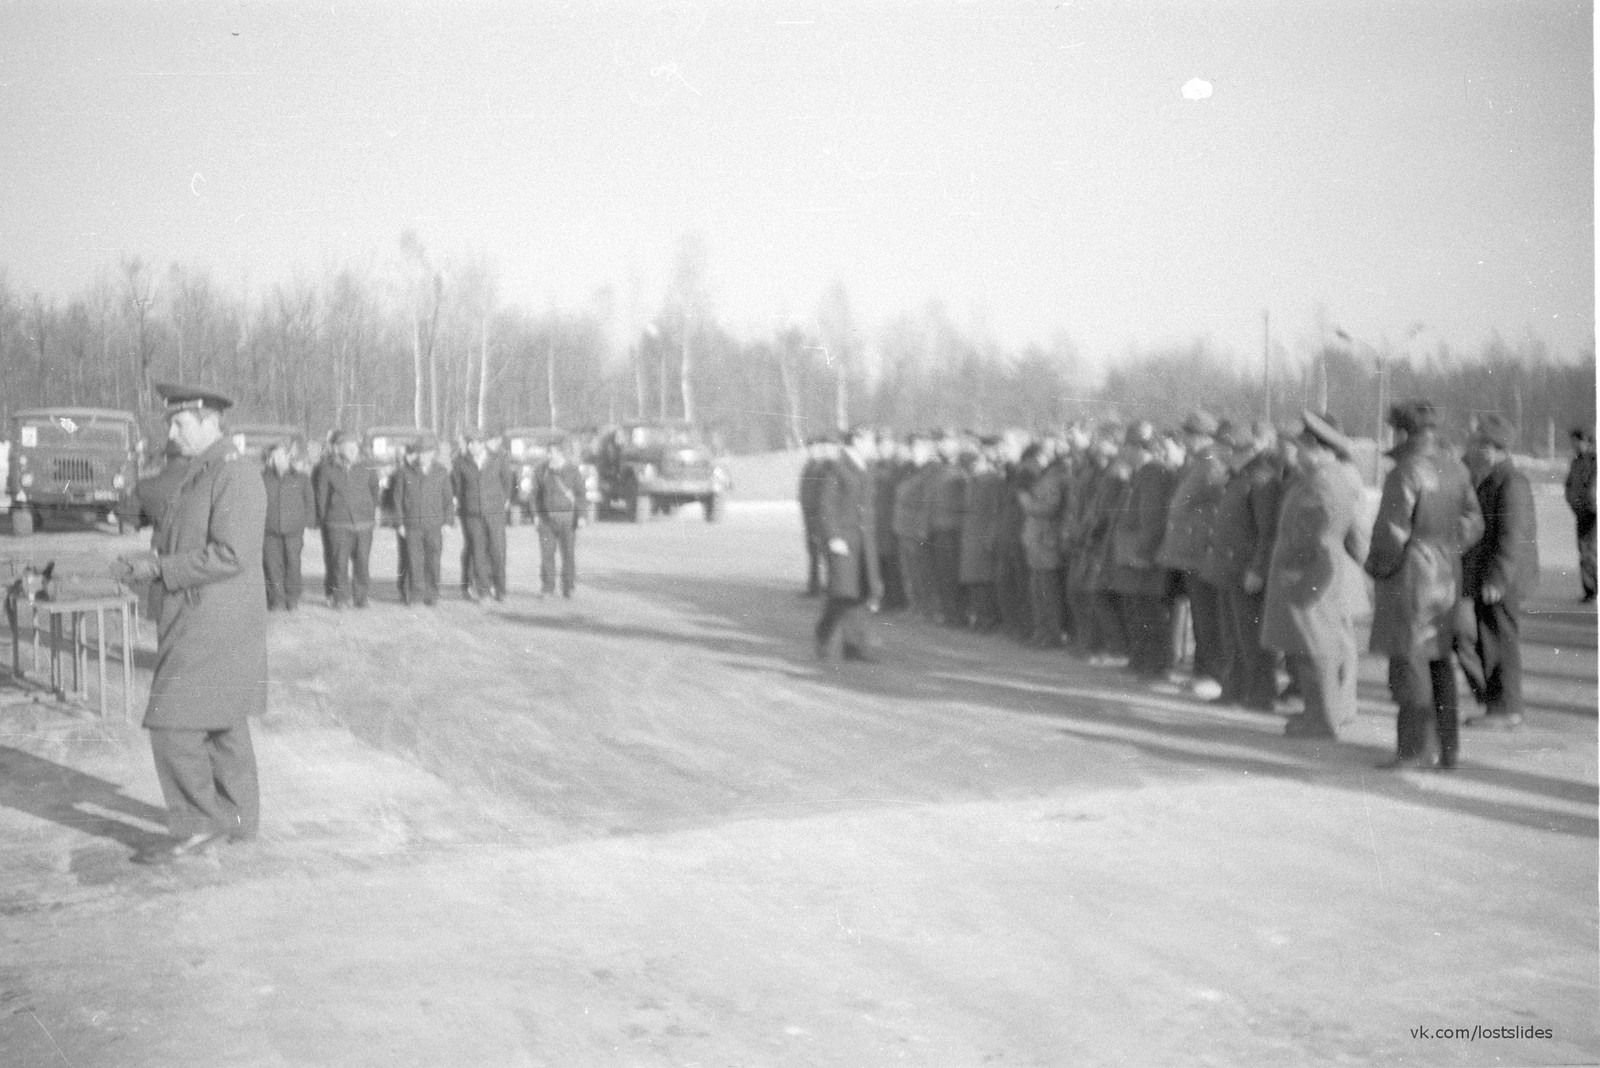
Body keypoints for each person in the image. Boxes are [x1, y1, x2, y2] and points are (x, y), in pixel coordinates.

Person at [116, 384, 267, 864]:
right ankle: (238, 820)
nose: (173, 431)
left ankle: (199, 827)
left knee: (173, 724)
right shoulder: (198, 473)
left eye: (180, 423)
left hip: (213, 619)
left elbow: (232, 554)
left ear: (208, 420)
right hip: (200, 613)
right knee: (222, 722)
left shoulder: (234, 475)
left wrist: (162, 568)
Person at [1366, 400, 1485, 770]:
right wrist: (1447, 545)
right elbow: (1474, 521)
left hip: (1411, 577)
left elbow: (1391, 533)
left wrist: (1377, 567)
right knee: (1439, 661)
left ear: (1402, 432)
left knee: (1410, 661)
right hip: (1447, 574)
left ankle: (1415, 749)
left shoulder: (1404, 471)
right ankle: (1447, 749)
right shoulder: (1456, 468)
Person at [1261, 413, 1368, 738]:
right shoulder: (1315, 478)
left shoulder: (1325, 483)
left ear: (1321, 449)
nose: (1299, 453)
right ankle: (1315, 715)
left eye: (1304, 447)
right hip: (1303, 574)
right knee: (1305, 649)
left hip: (1311, 577)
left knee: (1316, 649)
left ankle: (1322, 720)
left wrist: (1299, 576)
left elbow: (1322, 539)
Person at [1461, 414, 1539, 730]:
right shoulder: (1493, 477)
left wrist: (1497, 578)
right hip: (1494, 577)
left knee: (1501, 641)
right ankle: (1499, 705)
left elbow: (1512, 535)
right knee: (1491, 638)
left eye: (1481, 442)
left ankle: (1506, 709)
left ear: (1495, 447)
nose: (1476, 448)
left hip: (1503, 580)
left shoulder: (1511, 482)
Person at [1203, 422, 1282, 709]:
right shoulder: (1239, 477)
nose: (1218, 452)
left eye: (1224, 447)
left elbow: (1268, 532)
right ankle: (1234, 689)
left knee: (1251, 637)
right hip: (1228, 569)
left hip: (1245, 571)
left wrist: (1258, 570)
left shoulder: (1261, 480)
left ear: (1240, 449)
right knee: (1232, 634)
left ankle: (1261, 694)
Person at [1156, 410, 1229, 694]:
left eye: (1189, 434)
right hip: (1187, 553)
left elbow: (1206, 507)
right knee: (1200, 618)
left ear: (1202, 437)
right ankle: (1202, 673)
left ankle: (1209, 675)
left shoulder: (1209, 465)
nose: (1185, 439)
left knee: (1206, 619)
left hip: (1198, 553)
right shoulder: (1197, 464)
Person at [815, 426, 882, 660]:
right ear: (857, 441)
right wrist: (833, 537)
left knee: (859, 592)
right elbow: (826, 505)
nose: (874, 446)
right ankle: (823, 633)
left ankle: (853, 647)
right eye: (870, 441)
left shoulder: (866, 467)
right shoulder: (838, 467)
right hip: (843, 541)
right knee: (842, 593)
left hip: (862, 541)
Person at [318, 431, 381, 609]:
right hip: (337, 523)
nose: (352, 450)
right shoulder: (327, 468)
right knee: (339, 563)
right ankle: (340, 598)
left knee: (362, 562)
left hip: (363, 524)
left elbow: (375, 490)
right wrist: (325, 519)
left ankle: (361, 598)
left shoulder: (368, 465)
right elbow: (322, 497)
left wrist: (368, 510)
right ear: (339, 449)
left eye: (354, 446)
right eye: (348, 447)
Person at [452, 432, 515, 602]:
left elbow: (507, 482)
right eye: (469, 443)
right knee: (478, 552)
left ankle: (500, 590)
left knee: (498, 550)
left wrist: (503, 501)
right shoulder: (460, 462)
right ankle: (484, 591)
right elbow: (458, 488)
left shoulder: (498, 459)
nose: (472, 447)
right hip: (473, 514)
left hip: (495, 512)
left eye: (476, 443)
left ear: (483, 444)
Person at [392, 438, 453, 606]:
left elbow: (448, 500)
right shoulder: (405, 472)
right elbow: (397, 500)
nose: (424, 456)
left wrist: (447, 522)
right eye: (421, 453)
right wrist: (400, 524)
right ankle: (416, 595)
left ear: (433, 454)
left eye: (427, 453)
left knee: (433, 561)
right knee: (414, 561)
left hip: (434, 526)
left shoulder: (441, 472)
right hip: (412, 526)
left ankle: (432, 594)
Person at [261, 442, 316, 611]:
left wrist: (308, 524)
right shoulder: (262, 478)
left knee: (293, 564)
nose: (282, 459)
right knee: (272, 565)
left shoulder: (301, 478)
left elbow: (309, 503)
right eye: (277, 456)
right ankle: (276, 599)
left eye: (284, 456)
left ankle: (292, 599)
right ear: (270, 459)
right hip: (269, 530)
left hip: (294, 530)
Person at [534, 443, 587, 598]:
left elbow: (581, 493)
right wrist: (535, 515)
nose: (549, 456)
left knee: (568, 554)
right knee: (546, 555)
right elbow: (534, 495)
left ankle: (568, 586)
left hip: (567, 518)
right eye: (548, 452)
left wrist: (582, 516)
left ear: (561, 454)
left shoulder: (572, 471)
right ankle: (548, 587)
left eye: (552, 452)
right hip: (546, 519)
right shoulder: (541, 471)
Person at [797, 437, 832, 597]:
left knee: (823, 553)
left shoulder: (824, 468)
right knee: (813, 553)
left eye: (815, 448)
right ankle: (815, 586)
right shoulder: (809, 467)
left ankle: (825, 587)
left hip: (819, 517)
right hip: (809, 517)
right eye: (810, 448)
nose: (812, 451)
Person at [1565, 427, 1596, 603]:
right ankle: (1589, 589)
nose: (1574, 445)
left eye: (1577, 442)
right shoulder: (1576, 462)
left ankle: (1594, 588)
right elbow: (1569, 485)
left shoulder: (1595, 461)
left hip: (1593, 512)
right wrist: (1573, 503)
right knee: (1583, 550)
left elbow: (1593, 487)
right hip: (1581, 511)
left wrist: (1589, 504)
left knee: (1590, 550)